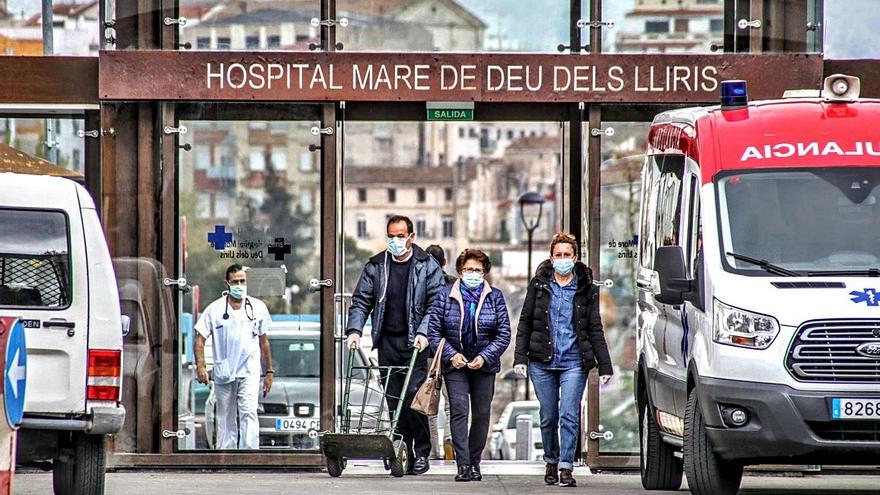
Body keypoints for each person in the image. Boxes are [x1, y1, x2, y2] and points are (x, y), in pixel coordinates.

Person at [345, 215, 444, 475]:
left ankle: (421, 452)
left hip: (416, 344)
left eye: (401, 236)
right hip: (387, 341)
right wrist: (354, 330)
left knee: (413, 397)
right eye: (391, 236)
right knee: (393, 401)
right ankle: (400, 449)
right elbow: (361, 300)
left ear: (411, 237)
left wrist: (425, 332)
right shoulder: (377, 265)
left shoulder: (427, 265)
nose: (396, 241)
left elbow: (436, 304)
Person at [514, 232, 613, 487]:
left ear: (575, 257)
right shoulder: (538, 285)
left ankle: (566, 467)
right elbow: (525, 321)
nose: (562, 259)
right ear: (551, 257)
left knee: (569, 414)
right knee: (548, 415)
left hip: (573, 362)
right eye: (558, 255)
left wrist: (605, 364)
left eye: (567, 255)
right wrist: (519, 358)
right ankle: (551, 460)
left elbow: (594, 327)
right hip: (541, 362)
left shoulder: (585, 288)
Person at [428, 249, 511, 482]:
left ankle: (475, 463)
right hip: (455, 364)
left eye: (477, 270)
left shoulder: (495, 296)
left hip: (484, 365)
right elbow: (434, 332)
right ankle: (462, 464)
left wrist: (485, 357)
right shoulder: (444, 295)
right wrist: (451, 355)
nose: (473, 273)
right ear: (460, 271)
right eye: (468, 269)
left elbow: (504, 334)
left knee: (482, 413)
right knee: (459, 410)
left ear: (484, 272)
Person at [194, 264, 274, 450]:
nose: (240, 285)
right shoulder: (214, 310)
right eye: (235, 282)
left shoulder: (257, 307)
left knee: (248, 411)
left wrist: (269, 371)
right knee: (225, 415)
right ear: (227, 284)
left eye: (242, 281)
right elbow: (200, 340)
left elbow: (264, 342)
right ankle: (226, 453)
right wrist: (201, 366)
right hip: (225, 370)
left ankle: (249, 453)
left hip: (249, 369)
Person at [424, 244, 455, 461]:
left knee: (429, 401)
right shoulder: (455, 284)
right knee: (452, 401)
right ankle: (451, 445)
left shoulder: (421, 285)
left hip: (428, 352)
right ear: (444, 262)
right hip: (452, 350)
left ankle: (433, 449)